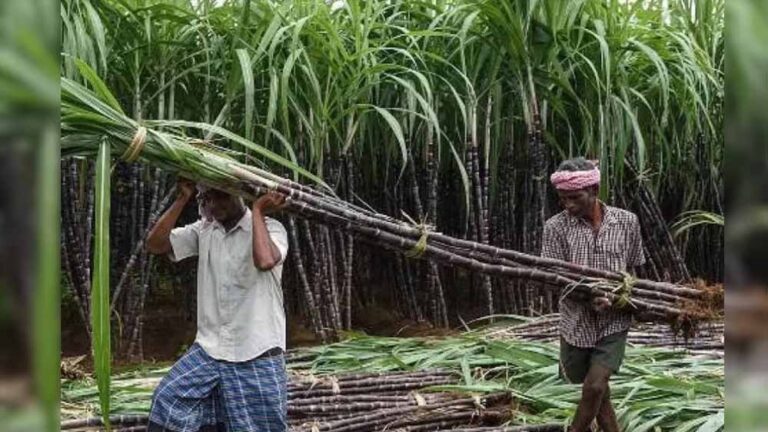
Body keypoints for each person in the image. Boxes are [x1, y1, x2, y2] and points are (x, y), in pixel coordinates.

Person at [144, 178, 289, 432]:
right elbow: (155, 245)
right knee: (168, 401)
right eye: (207, 199)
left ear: (238, 194)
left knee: (258, 426)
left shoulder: (271, 228)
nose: (213, 205)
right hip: (211, 348)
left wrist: (257, 210)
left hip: (255, 349)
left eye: (220, 196)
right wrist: (183, 198)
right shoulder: (204, 231)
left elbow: (265, 260)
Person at [541, 158, 646, 432]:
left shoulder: (627, 222)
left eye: (575, 197)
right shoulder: (555, 227)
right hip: (576, 323)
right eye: (563, 198)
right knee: (597, 392)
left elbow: (633, 269)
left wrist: (628, 299)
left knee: (595, 385)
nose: (568, 204)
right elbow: (553, 279)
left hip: (615, 320)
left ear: (595, 189)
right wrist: (589, 297)